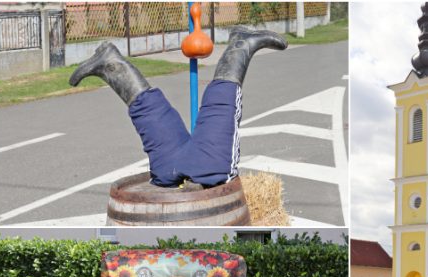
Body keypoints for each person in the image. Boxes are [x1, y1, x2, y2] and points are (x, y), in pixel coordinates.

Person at [68, 27, 287, 188]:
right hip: (206, 177)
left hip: (169, 173)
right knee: (215, 157)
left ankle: (113, 66)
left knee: (167, 152)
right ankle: (241, 44)